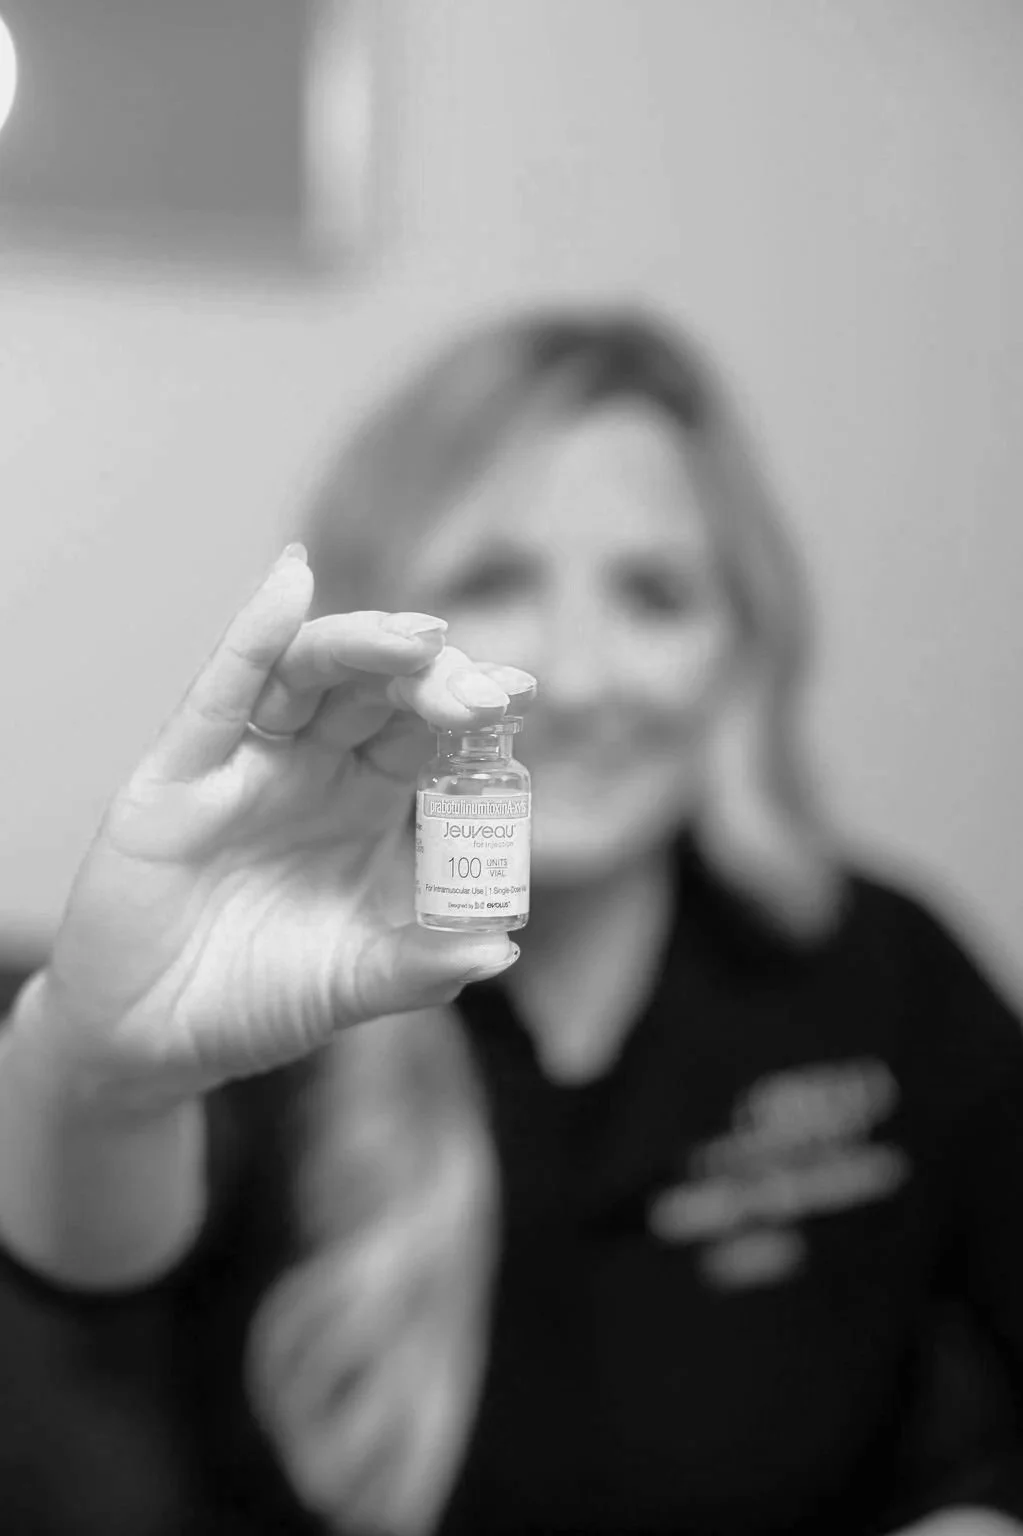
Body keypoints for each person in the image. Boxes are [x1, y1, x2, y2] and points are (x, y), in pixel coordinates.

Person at [1, 309, 1022, 1536]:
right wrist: (97, 1067)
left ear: (739, 644)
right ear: (379, 629)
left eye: (655, 594)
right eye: (494, 581)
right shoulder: (275, 966)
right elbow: (81, 1264)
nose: (579, 679)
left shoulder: (883, 972)